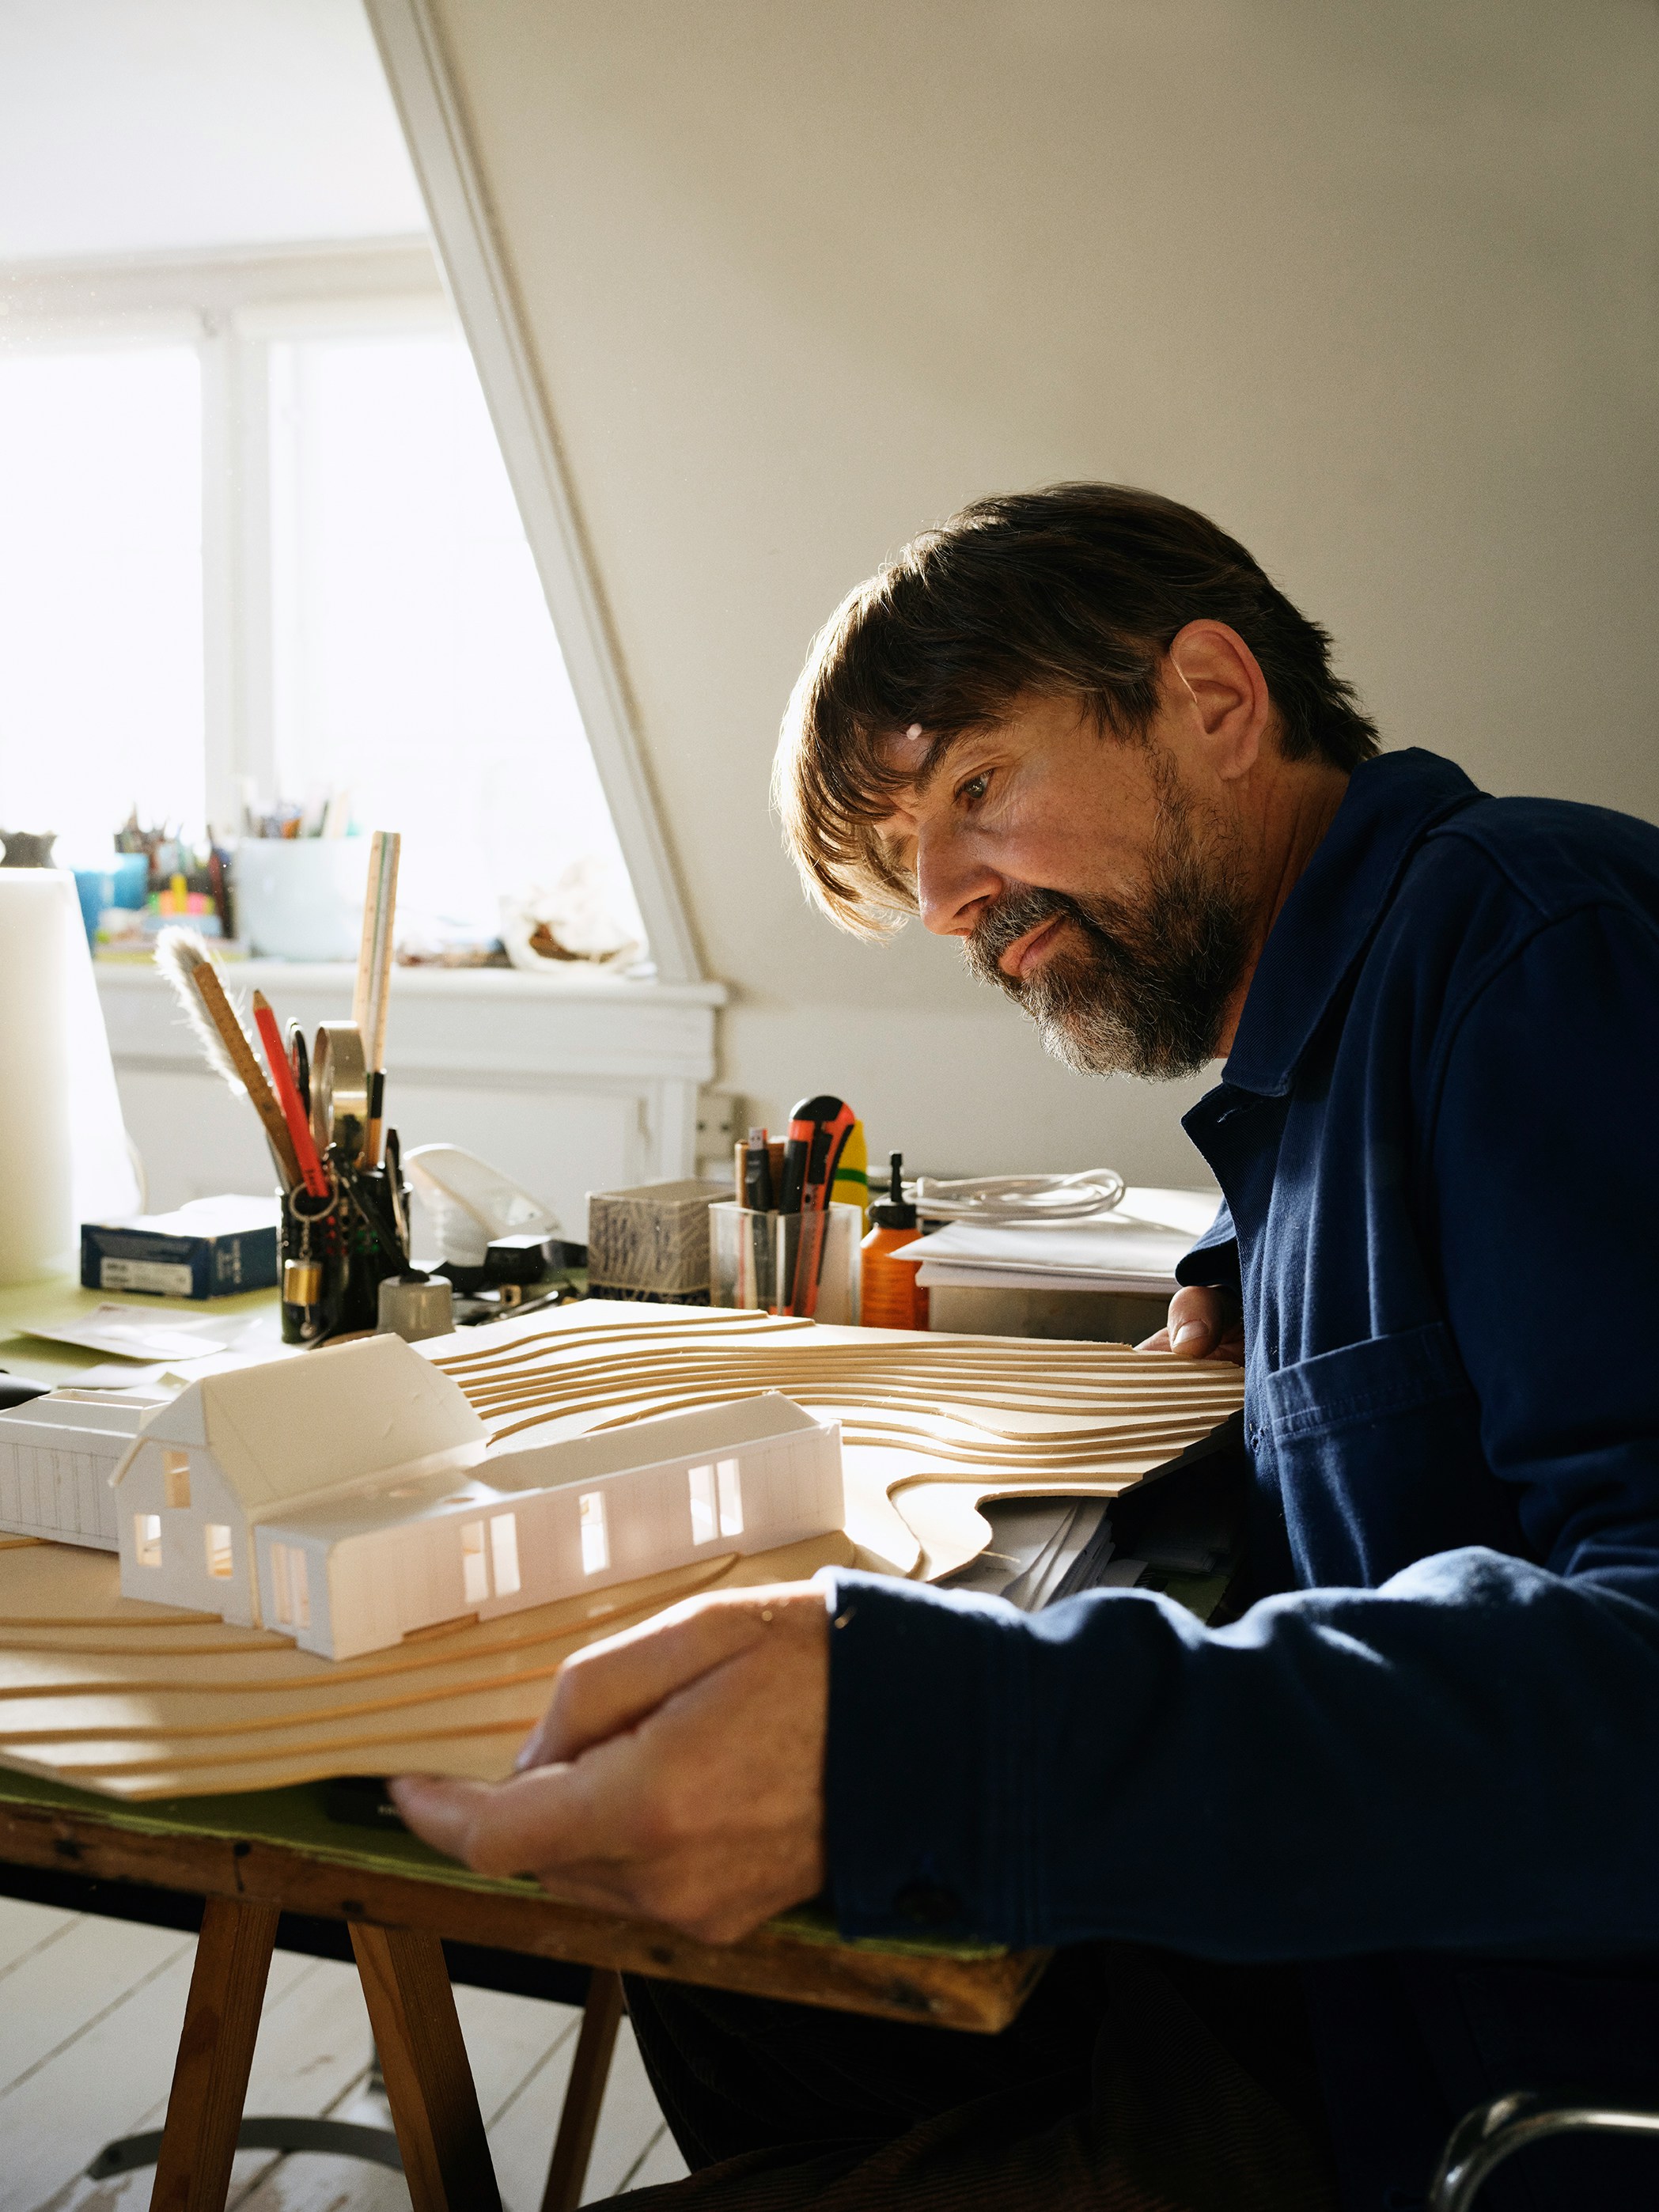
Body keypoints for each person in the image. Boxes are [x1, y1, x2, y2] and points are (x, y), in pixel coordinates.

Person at [392, 486, 1659, 2211]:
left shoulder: (1542, 950)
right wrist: (1245, 1256)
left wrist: (945, 1744)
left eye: (977, 785)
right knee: (715, 1969)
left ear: (1212, 698)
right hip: (1339, 1972)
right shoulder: (1344, 1043)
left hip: (1469, 2087)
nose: (940, 900)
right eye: (907, 849)